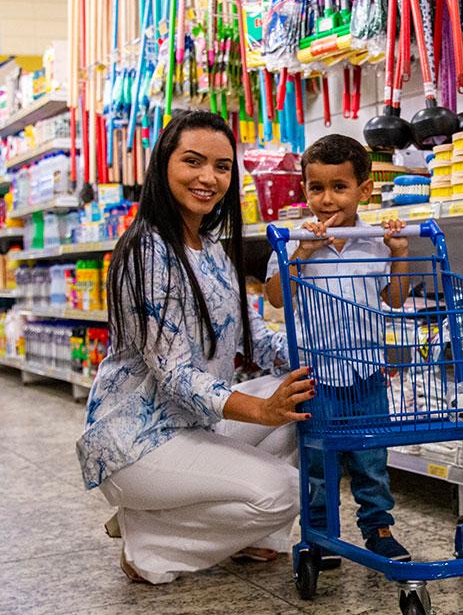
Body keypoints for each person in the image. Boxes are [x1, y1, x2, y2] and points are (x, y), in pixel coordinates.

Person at [77, 111, 315, 585]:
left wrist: (328, 357)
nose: (209, 178)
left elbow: (254, 337)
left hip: (193, 425)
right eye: (193, 161)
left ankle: (248, 537)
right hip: (138, 442)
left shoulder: (209, 248)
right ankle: (150, 543)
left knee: (304, 398)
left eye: (222, 166)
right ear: (164, 164)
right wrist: (260, 410)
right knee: (286, 491)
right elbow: (175, 372)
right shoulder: (147, 250)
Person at [264, 134, 410, 565]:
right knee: (316, 462)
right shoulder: (290, 241)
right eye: (316, 188)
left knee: (371, 458)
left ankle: (378, 528)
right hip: (314, 376)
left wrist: (400, 253)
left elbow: (396, 298)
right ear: (304, 189)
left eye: (339, 187)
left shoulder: (376, 239)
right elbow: (276, 296)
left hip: (367, 371)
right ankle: (322, 533)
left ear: (364, 190)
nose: (326, 200)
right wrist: (301, 254)